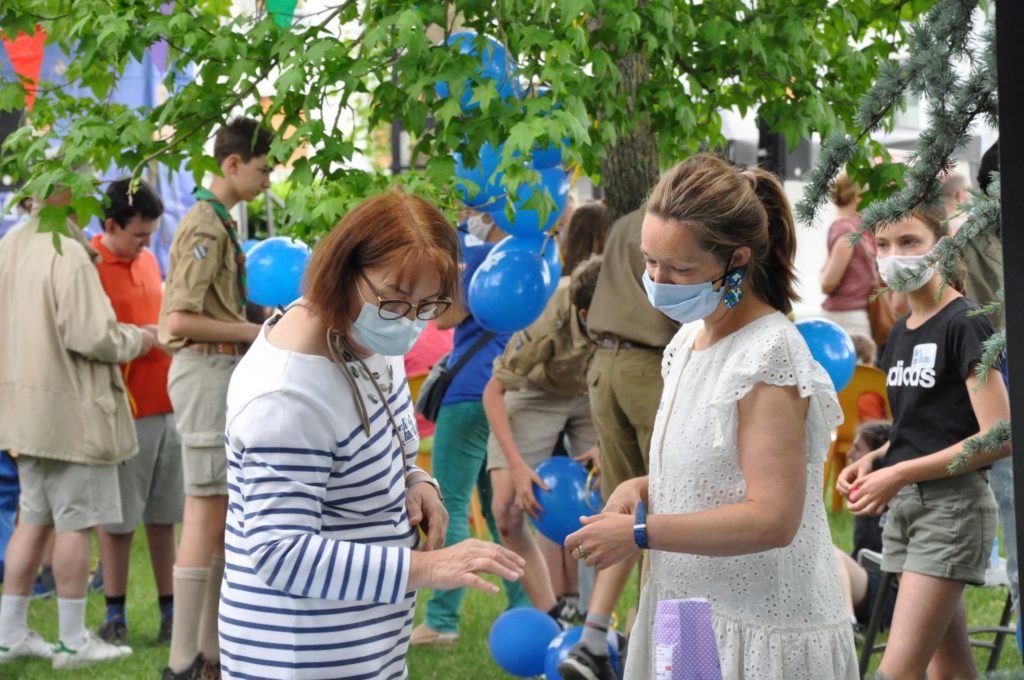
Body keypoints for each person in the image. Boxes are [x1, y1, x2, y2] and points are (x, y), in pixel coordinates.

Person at [566, 155, 857, 679]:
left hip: (756, 626)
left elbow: (773, 517)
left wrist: (641, 533)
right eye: (650, 262)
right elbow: (714, 476)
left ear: (736, 260)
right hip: (689, 613)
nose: (658, 280)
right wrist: (642, 486)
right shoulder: (687, 341)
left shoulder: (768, 355)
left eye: (680, 269)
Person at [217, 189, 525, 679]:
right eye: (395, 300)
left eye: (428, 305)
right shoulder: (286, 397)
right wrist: (427, 569)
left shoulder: (365, 333)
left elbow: (386, 443)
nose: (409, 321)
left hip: (365, 647)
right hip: (299, 658)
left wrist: (416, 480)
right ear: (343, 272)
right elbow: (280, 552)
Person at [837, 204, 1010, 680]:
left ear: (943, 246)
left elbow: (998, 435)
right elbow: (921, 429)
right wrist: (876, 460)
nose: (895, 255)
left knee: (897, 671)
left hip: (951, 510)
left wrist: (898, 473)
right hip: (908, 510)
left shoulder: (964, 321)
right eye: (883, 245)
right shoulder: (899, 332)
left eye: (910, 242)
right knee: (947, 669)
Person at [0, 185, 157, 668]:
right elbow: (92, 336)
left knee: (33, 519)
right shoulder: (67, 251)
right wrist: (139, 338)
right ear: (63, 193)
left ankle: (9, 636)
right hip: (71, 412)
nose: (90, 196)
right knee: (75, 524)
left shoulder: (11, 243)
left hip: (24, 410)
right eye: (82, 186)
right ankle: (71, 643)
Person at [158, 118, 270, 679]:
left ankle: (212, 655)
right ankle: (182, 663)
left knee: (221, 514)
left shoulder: (221, 221)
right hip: (204, 370)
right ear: (232, 163)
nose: (268, 181)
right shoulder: (205, 225)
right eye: (262, 169)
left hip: (220, 371)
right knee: (203, 512)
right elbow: (177, 320)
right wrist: (256, 331)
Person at [557, 205, 679, 680]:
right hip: (648, 365)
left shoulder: (630, 221)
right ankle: (651, 644)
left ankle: (592, 640)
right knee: (662, 507)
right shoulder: (680, 222)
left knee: (623, 506)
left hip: (605, 365)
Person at [410, 212, 531, 646]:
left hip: (465, 394)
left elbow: (443, 319)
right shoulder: (521, 260)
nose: (462, 216)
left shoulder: (476, 257)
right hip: (500, 391)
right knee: (499, 511)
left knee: (451, 504)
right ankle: (525, 607)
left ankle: (442, 619)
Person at [484, 253, 605, 620]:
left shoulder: (632, 308)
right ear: (583, 314)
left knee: (611, 498)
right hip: (538, 389)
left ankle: (595, 617)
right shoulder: (545, 320)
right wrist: (518, 467)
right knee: (506, 510)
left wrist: (605, 446)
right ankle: (551, 614)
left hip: (597, 391)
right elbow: (493, 393)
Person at [91, 178, 183, 646]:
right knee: (118, 523)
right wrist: (142, 337)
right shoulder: (88, 266)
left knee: (164, 517)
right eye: (139, 235)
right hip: (124, 411)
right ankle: (115, 616)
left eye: (151, 235)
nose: (147, 245)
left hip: (168, 406)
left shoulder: (147, 261)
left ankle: (171, 615)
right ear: (111, 226)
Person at [832, 421, 898, 631]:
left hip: (890, 594)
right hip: (868, 583)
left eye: (858, 448)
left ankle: (847, 625)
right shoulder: (864, 497)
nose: (850, 454)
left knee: (829, 554)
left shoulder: (899, 499)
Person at [819, 173, 875, 339]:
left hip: (850, 314)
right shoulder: (847, 232)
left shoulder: (848, 227)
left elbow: (825, 270)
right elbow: (828, 283)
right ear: (858, 196)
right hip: (848, 317)